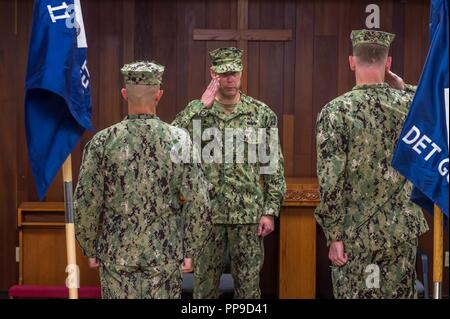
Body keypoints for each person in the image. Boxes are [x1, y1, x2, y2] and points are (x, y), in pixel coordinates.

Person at [73, 61, 212, 299]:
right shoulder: (179, 140)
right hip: (164, 253)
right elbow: (198, 200)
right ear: (159, 95)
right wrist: (190, 249)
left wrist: (89, 246)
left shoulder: (102, 142)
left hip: (116, 253)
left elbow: (87, 201)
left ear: (124, 94)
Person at [314, 30, 429, 299]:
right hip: (401, 230)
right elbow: (440, 111)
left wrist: (334, 235)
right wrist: (407, 88)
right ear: (388, 63)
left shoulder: (335, 112)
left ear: (352, 61)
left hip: (356, 233)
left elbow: (330, 181)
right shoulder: (410, 106)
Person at [172, 47, 286, 299]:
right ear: (213, 74)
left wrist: (270, 211)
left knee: (248, 291)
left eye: (234, 72)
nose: (230, 79)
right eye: (224, 74)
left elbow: (273, 167)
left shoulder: (260, 114)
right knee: (204, 291)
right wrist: (198, 106)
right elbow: (170, 143)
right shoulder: (199, 115)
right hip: (207, 218)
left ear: (241, 72)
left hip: (248, 217)